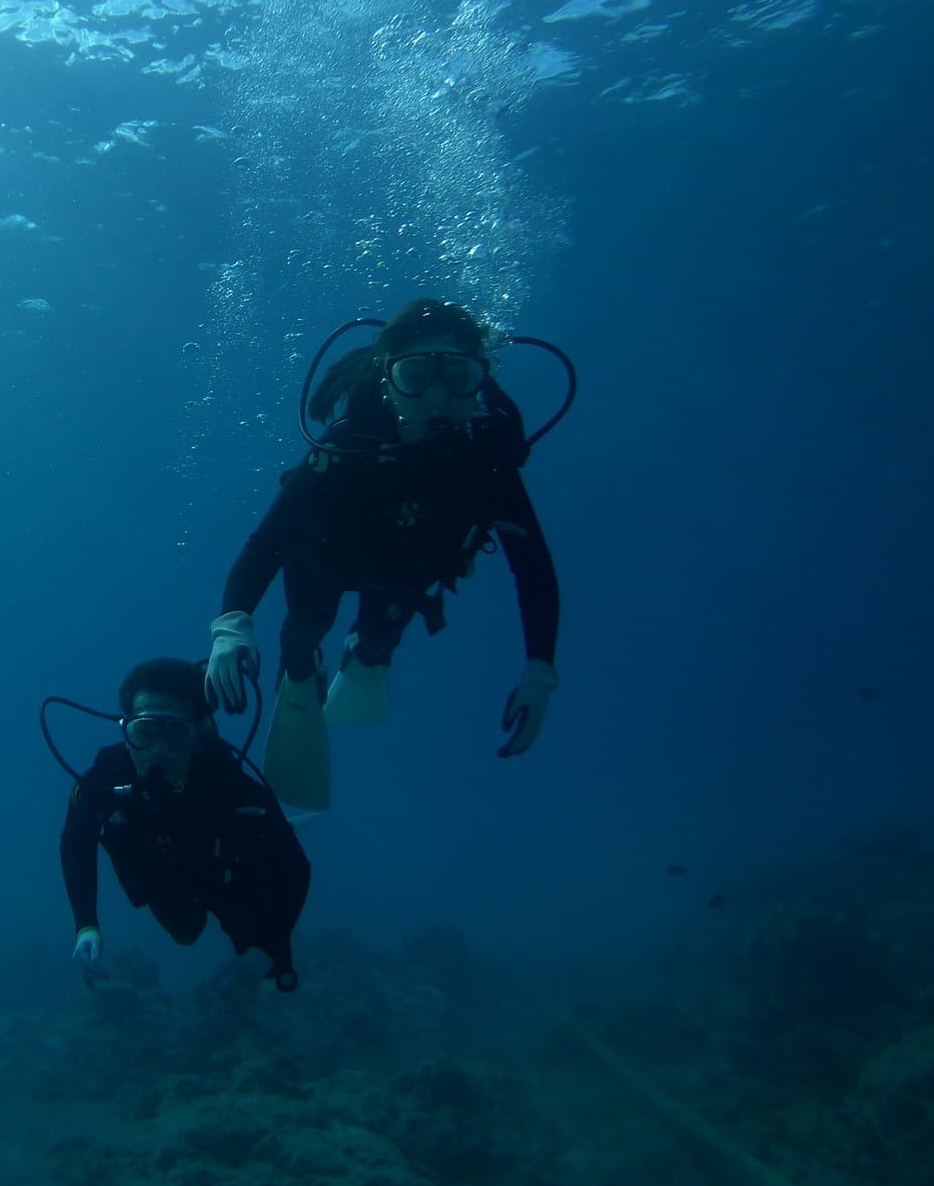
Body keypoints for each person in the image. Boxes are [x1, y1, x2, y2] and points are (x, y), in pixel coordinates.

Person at [204, 298, 561, 810]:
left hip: (406, 574)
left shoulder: (490, 463)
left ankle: (364, 653)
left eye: (457, 374)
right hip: (325, 560)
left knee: (376, 645)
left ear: (479, 381)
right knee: (302, 638)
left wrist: (539, 670)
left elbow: (534, 567)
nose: (436, 395)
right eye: (416, 374)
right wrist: (231, 625)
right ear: (389, 380)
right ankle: (301, 671)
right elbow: (271, 538)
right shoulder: (346, 446)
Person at [61, 658, 310, 992]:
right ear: (127, 727)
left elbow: (296, 867)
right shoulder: (105, 779)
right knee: (185, 931)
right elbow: (76, 842)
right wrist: (85, 926)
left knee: (254, 957)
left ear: (199, 734)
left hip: (224, 871)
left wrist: (267, 951)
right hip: (158, 871)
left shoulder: (232, 787)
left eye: (176, 734)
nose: (158, 752)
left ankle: (269, 838)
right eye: (144, 732)